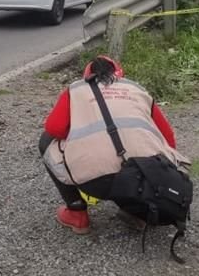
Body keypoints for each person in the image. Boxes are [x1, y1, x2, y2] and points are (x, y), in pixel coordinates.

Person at [39, 55, 189, 234]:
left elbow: (53, 129)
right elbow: (168, 138)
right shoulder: (135, 89)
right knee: (131, 164)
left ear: (86, 75)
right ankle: (137, 213)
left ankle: (76, 212)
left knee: (46, 141)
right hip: (145, 179)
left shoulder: (75, 90)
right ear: (119, 74)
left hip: (95, 182)